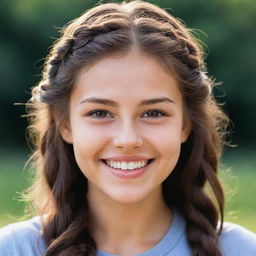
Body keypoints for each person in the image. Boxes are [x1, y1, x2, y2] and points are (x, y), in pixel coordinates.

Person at [1, 1, 256, 255]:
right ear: (65, 124)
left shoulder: (242, 250)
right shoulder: (14, 249)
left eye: (153, 113)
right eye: (99, 113)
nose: (127, 139)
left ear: (185, 125)